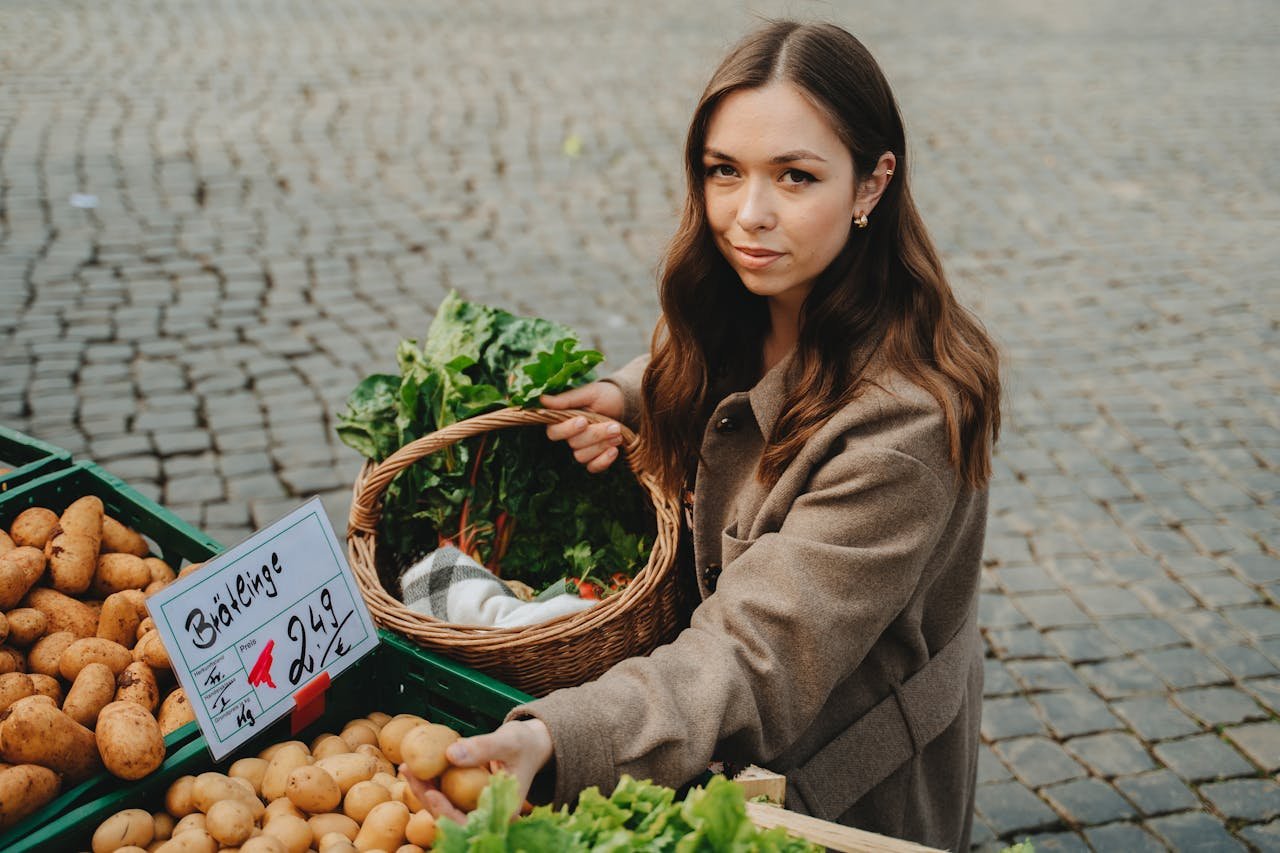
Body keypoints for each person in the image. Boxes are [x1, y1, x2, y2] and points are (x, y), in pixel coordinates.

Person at [405, 19, 1001, 851]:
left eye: (796, 177)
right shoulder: (749, 299)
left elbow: (756, 653)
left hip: (840, 787)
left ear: (872, 184)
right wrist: (622, 394)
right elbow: (692, 368)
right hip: (722, 738)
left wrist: (555, 738)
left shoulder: (904, 423)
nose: (748, 215)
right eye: (725, 171)